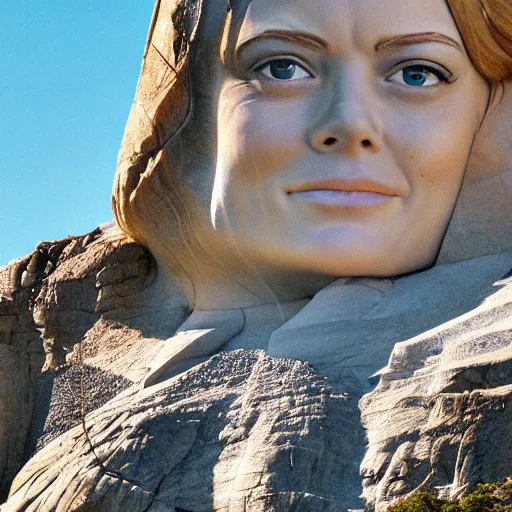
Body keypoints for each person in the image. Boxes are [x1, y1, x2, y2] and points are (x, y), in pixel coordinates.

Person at [2, 0, 512, 510]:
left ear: (493, 110)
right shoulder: (35, 317)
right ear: (190, 106)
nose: (350, 124)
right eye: (282, 67)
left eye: (418, 74)